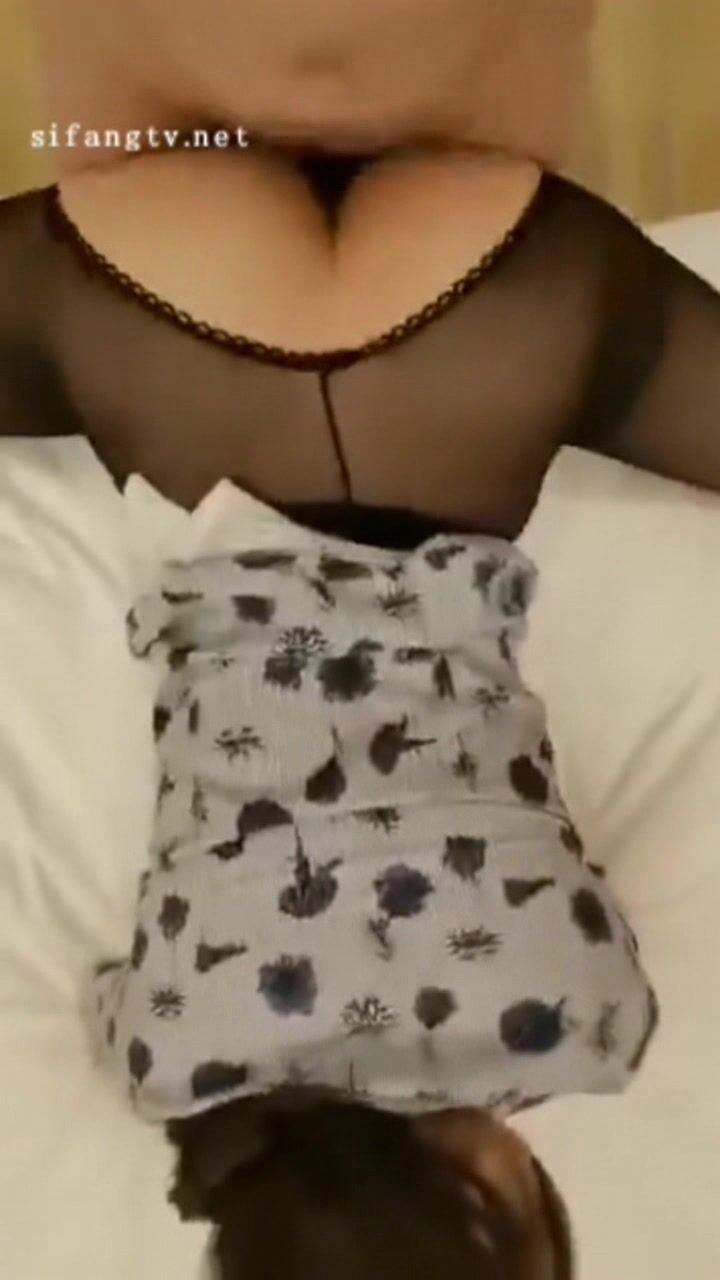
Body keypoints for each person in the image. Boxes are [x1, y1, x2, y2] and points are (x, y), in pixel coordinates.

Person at [3, 4, 719, 1277]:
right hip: (172, 323)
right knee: (121, 136)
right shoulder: (164, 1061)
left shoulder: (592, 1027)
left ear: (495, 1191)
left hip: (480, 319)